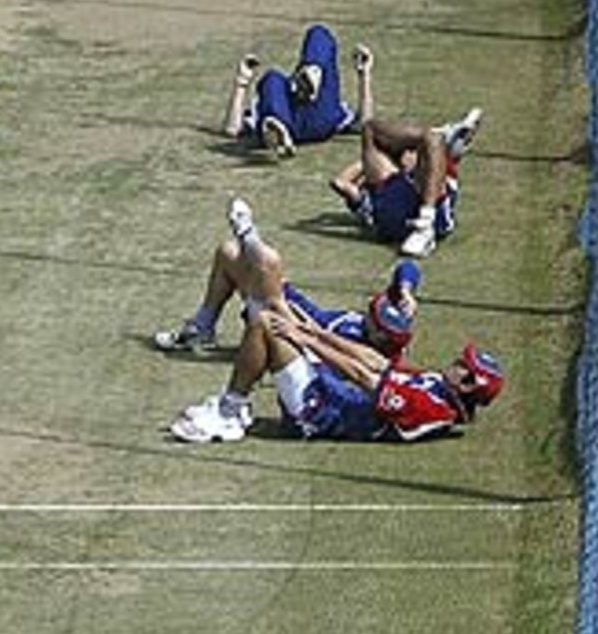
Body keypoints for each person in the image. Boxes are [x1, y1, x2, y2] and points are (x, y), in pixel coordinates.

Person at [165, 201, 504, 445]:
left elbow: (365, 375)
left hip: (319, 410)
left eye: (463, 366)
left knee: (267, 314)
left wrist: (310, 339)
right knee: (236, 260)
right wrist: (312, 333)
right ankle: (204, 324)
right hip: (320, 370)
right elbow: (378, 363)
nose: (456, 363)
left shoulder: (430, 407)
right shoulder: (434, 384)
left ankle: (230, 412)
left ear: (469, 385)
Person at [152, 197, 421, 360]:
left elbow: (312, 340)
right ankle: (203, 327)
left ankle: (249, 234)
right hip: (300, 308)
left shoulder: (367, 355)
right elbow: (408, 267)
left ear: (381, 338)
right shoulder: (389, 328)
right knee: (228, 252)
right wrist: (406, 290)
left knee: (268, 261)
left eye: (373, 319)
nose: (368, 315)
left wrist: (281, 307)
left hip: (289, 327)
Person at [328, 106, 482, 257]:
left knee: (372, 129)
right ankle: (442, 139)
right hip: (395, 207)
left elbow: (340, 182)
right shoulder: (371, 198)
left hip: (404, 206)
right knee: (430, 141)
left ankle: (425, 225)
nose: (409, 152)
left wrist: (372, 161)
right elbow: (339, 182)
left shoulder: (369, 200)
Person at [224, 24, 373, 158]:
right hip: (315, 119)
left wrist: (241, 84)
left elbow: (232, 129)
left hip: (303, 115)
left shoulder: (270, 96)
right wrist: (364, 77)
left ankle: (278, 126)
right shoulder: (334, 106)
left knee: (272, 79)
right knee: (274, 78)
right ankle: (279, 128)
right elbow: (364, 124)